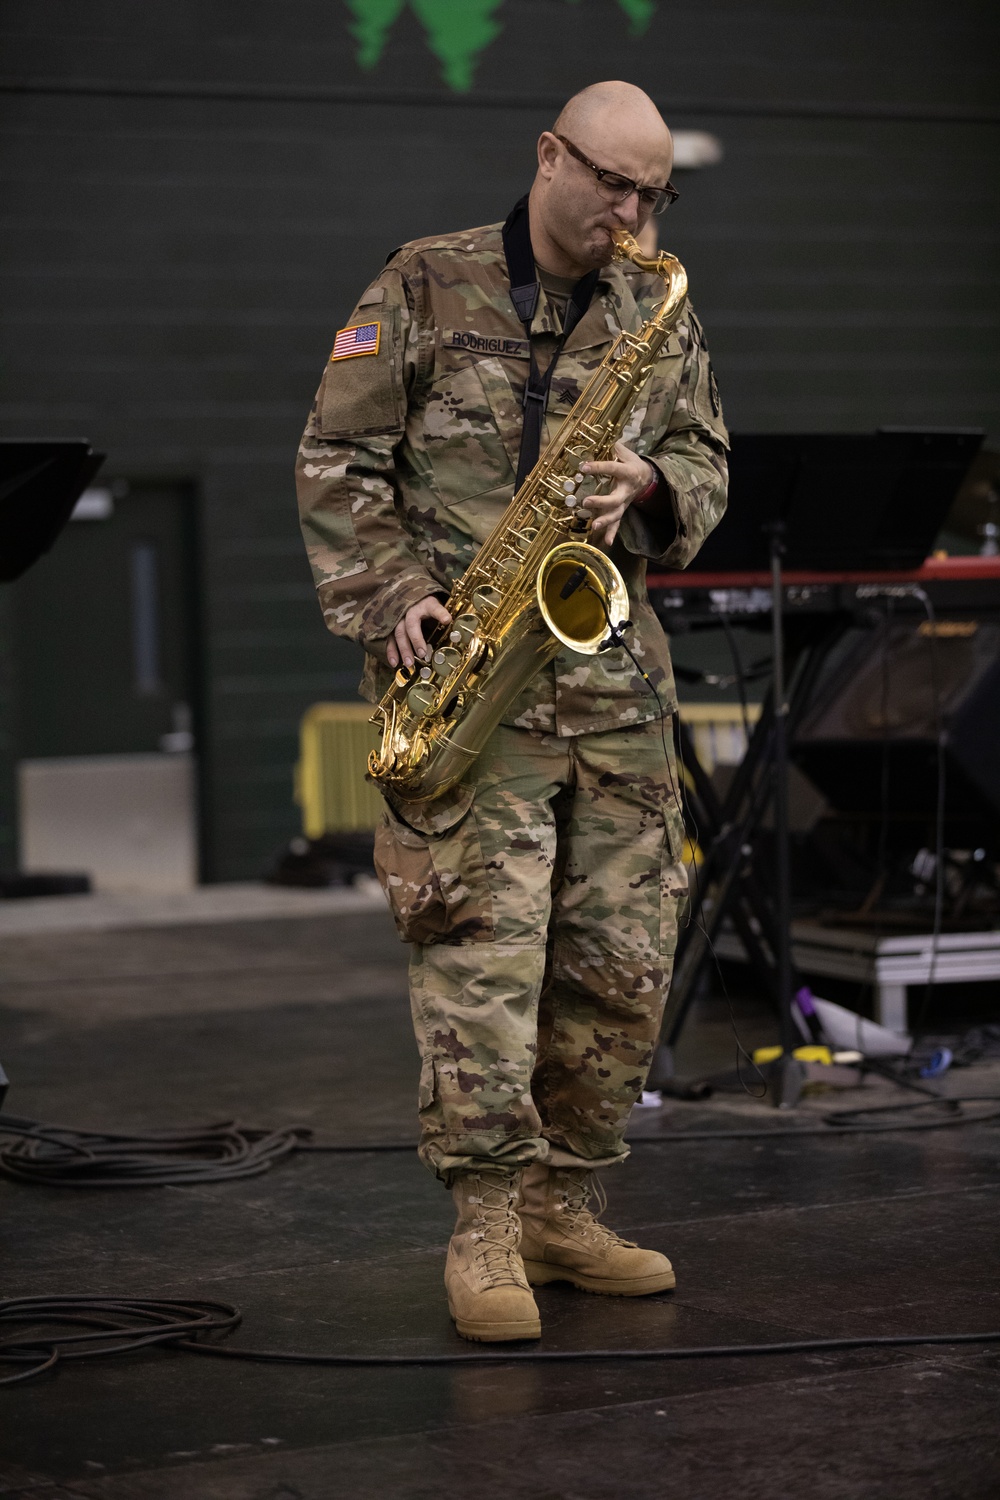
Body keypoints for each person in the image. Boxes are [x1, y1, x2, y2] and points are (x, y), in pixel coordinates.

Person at [296, 80, 728, 1343]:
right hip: (470, 679)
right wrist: (394, 604)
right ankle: (485, 1225)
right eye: (611, 183)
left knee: (621, 964)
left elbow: (705, 455)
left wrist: (649, 479)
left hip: (614, 691)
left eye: (654, 192)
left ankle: (565, 1209)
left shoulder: (657, 303)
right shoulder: (422, 285)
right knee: (482, 968)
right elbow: (336, 463)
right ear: (548, 157)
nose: (631, 213)